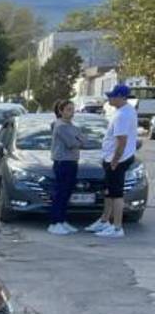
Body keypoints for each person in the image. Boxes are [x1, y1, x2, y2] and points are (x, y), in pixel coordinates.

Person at [86, 84, 139, 238]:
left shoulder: (123, 115)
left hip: (117, 160)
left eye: (113, 96)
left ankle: (117, 227)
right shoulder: (125, 111)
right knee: (109, 193)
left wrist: (115, 161)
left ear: (122, 97)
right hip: (113, 158)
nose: (109, 98)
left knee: (116, 194)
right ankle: (104, 220)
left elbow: (121, 141)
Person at [48, 100, 91, 235]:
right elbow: (72, 143)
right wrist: (79, 139)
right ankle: (55, 222)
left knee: (67, 193)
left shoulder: (71, 125)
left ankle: (62, 220)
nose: (71, 113)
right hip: (63, 162)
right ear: (60, 111)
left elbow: (85, 141)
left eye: (72, 109)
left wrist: (79, 139)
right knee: (60, 193)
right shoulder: (60, 126)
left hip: (72, 161)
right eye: (68, 109)